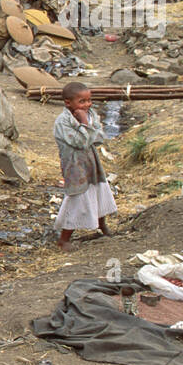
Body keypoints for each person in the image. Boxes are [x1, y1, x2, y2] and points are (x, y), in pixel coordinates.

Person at [53, 81, 116, 251]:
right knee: (78, 198)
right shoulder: (63, 122)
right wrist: (84, 124)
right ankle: (64, 239)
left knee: (98, 191)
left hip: (91, 160)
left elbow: (98, 138)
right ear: (68, 103)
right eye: (82, 101)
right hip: (74, 165)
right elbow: (81, 142)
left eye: (89, 100)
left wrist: (87, 124)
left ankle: (102, 225)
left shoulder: (91, 114)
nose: (87, 105)